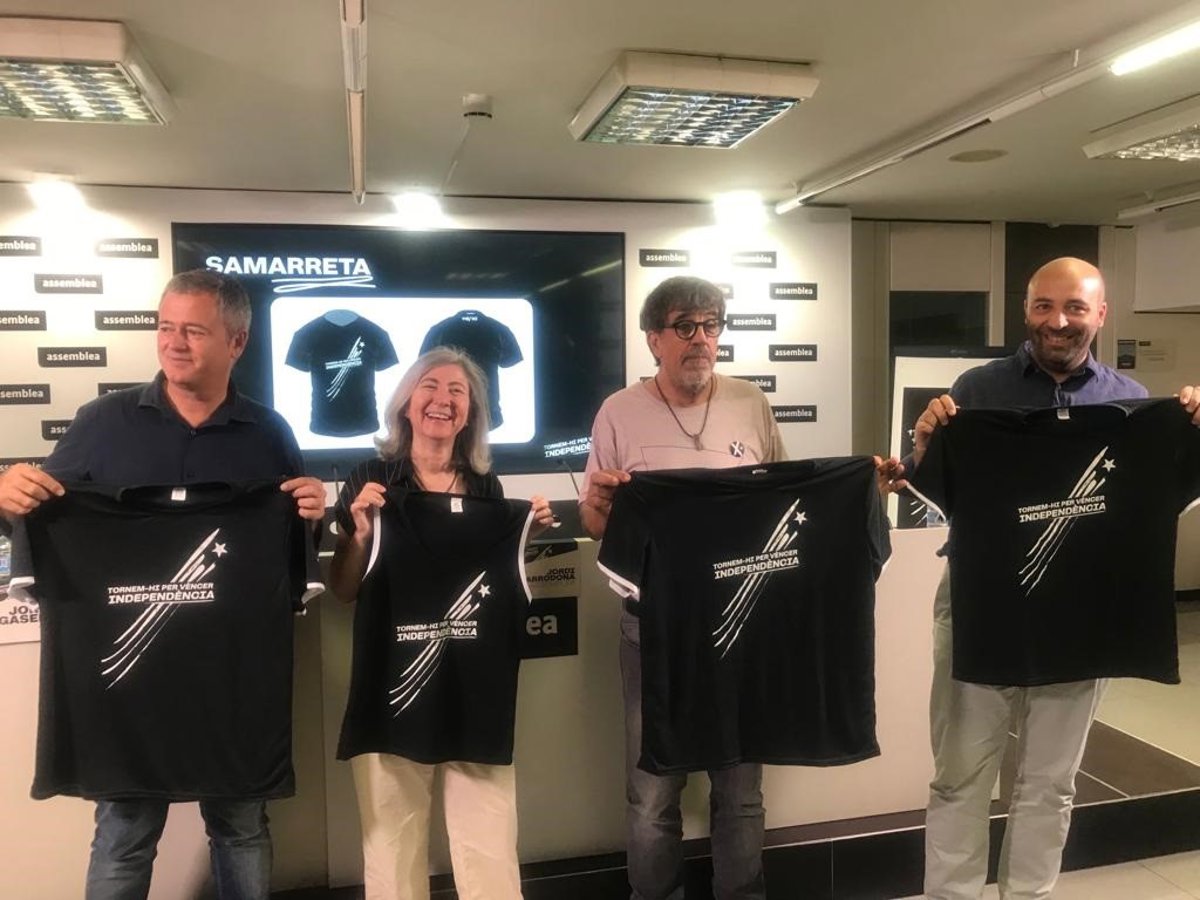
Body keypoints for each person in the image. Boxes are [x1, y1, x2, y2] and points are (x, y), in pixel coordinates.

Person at [0, 269, 326, 900]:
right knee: (124, 834)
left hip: (232, 681)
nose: (174, 343)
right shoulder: (102, 423)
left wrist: (311, 512)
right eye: (165, 327)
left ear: (237, 341)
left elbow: (289, 548)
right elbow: (41, 515)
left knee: (241, 827)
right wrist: (7, 495)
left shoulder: (269, 434)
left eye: (194, 331)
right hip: (127, 688)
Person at [580, 275, 900, 900]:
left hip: (744, 627)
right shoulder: (618, 411)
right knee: (652, 791)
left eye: (711, 325)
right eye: (684, 326)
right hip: (656, 630)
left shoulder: (751, 402)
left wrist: (861, 487)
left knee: (741, 788)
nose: (700, 339)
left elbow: (781, 497)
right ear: (654, 339)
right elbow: (599, 526)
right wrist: (598, 506)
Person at [906, 257, 1200, 900]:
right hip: (981, 605)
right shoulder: (977, 390)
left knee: (1049, 781)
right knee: (960, 775)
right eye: (1044, 306)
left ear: (1101, 314)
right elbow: (938, 487)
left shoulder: (1130, 402)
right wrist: (926, 446)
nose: (1058, 321)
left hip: (1078, 609)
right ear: (1026, 310)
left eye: (1074, 307)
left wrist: (1191, 433)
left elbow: (1154, 506)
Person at [329, 346, 553, 900]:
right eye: (430, 386)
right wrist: (360, 535)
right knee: (392, 849)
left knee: (489, 845)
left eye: (458, 391)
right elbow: (344, 589)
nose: (443, 400)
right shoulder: (370, 478)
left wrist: (524, 539)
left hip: (474, 694)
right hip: (391, 693)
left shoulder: (486, 489)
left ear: (471, 412)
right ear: (406, 402)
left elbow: (495, 584)